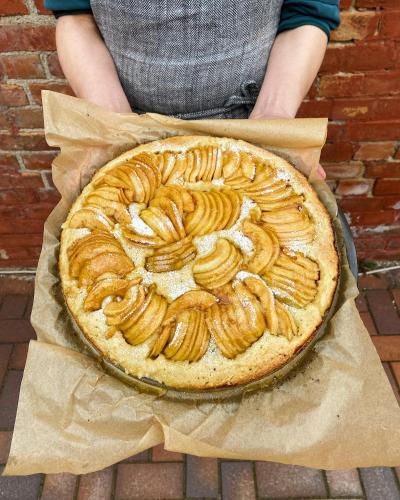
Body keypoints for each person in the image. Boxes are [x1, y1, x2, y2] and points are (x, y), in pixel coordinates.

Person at [46, 0, 340, 178]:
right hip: (127, 120)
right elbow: (76, 16)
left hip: (251, 123)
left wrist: (273, 118)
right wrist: (115, 128)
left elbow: (307, 11)